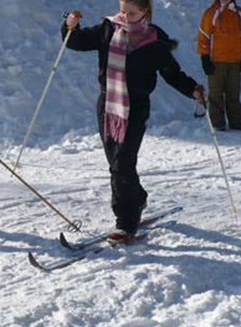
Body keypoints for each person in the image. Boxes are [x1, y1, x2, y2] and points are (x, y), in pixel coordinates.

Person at [62, 0, 205, 243]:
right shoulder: (108, 28)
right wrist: (69, 26)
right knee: (117, 164)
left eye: (132, 13)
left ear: (145, 12)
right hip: (108, 105)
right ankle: (136, 197)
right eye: (123, 11)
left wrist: (192, 89)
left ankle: (126, 223)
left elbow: (171, 73)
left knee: (122, 164)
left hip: (136, 107)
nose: (125, 17)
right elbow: (76, 42)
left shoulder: (155, 40)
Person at [198, 0, 241, 131]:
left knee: (233, 93)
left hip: (235, 61)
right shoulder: (211, 13)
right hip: (216, 62)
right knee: (216, 93)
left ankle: (237, 121)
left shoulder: (239, 13)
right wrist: (205, 58)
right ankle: (217, 123)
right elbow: (204, 37)